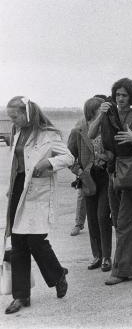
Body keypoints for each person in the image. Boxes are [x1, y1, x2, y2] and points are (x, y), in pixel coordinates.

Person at [4, 97, 74, 314]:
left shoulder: (49, 134)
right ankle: (21, 296)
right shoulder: (17, 132)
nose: (12, 120)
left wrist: (48, 162)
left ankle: (57, 275)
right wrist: (10, 187)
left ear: (27, 113)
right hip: (18, 189)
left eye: (15, 116)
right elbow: (17, 163)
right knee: (18, 244)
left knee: (35, 240)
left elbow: (69, 157)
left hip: (38, 191)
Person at [89, 78, 132, 285]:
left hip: (131, 173)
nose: (120, 99)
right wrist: (100, 114)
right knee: (119, 222)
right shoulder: (108, 115)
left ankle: (123, 270)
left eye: (124, 95)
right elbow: (91, 134)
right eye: (117, 95)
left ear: (131, 96)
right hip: (113, 173)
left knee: (123, 223)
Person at [67, 97, 113, 273]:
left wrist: (108, 158)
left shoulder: (106, 128)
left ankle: (107, 256)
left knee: (102, 216)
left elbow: (113, 153)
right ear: (91, 112)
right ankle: (97, 255)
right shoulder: (77, 130)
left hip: (106, 176)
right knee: (92, 218)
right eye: (97, 111)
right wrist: (79, 172)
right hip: (88, 178)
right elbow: (69, 157)